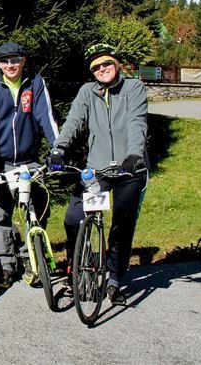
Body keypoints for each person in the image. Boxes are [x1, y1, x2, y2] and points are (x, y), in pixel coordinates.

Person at [49, 43, 149, 306]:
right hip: (99, 168)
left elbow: (138, 121)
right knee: (74, 217)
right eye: (96, 67)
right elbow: (73, 121)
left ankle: (115, 280)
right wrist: (59, 148)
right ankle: (84, 263)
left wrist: (134, 154)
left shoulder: (133, 88)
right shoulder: (87, 92)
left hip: (130, 168)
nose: (102, 69)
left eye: (106, 63)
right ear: (92, 72)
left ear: (116, 64)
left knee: (121, 224)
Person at [0, 41, 59, 287]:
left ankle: (33, 261)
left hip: (29, 161)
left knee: (37, 211)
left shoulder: (36, 84)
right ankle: (5, 266)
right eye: (5, 61)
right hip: (2, 163)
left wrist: (57, 149)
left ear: (24, 61)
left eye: (15, 60)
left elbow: (46, 118)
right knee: (1, 216)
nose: (10, 65)